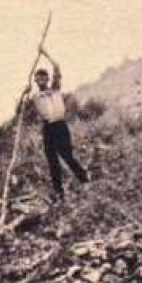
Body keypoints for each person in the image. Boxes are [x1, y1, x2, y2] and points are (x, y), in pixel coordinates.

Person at [22, 50, 90, 202]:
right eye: (37, 80)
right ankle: (59, 192)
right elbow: (20, 110)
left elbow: (57, 67)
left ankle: (84, 179)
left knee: (67, 156)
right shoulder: (35, 97)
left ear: (47, 79)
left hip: (60, 126)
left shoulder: (55, 89)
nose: (40, 82)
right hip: (48, 129)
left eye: (42, 79)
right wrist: (24, 93)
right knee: (52, 161)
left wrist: (45, 53)